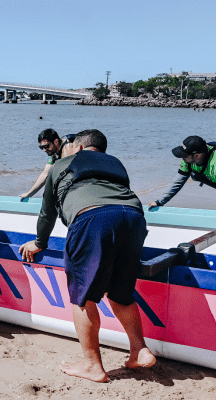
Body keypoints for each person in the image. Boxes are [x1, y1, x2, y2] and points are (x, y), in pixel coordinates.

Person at [19, 129, 156, 383]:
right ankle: (139, 350)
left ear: (78, 148)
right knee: (121, 293)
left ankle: (92, 365)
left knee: (83, 297)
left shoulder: (61, 164)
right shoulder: (115, 163)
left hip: (92, 218)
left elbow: (47, 213)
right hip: (134, 218)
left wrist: (40, 242)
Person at [19, 129, 76, 199]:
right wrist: (29, 193)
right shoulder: (53, 153)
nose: (44, 150)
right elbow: (45, 174)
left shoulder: (68, 149)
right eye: (41, 147)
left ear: (56, 142)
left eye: (46, 146)